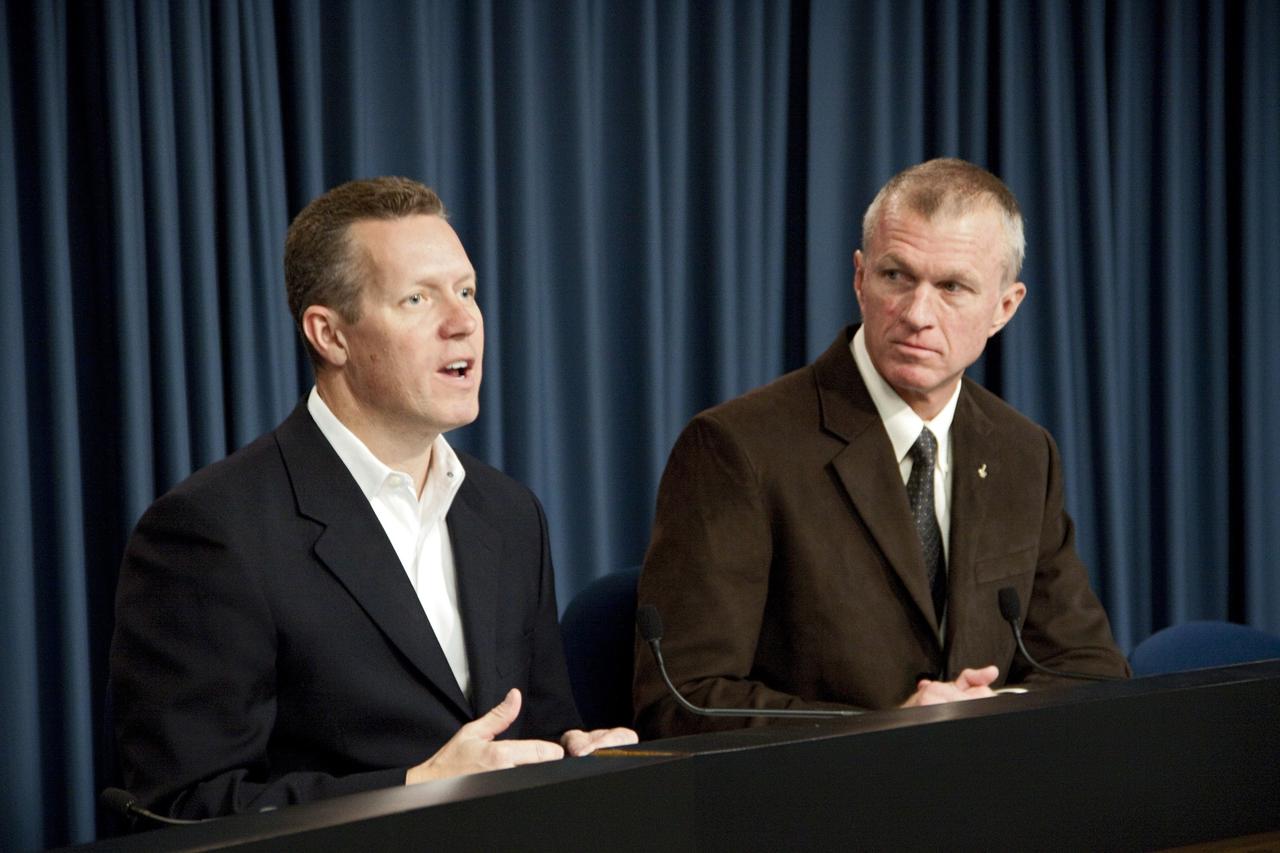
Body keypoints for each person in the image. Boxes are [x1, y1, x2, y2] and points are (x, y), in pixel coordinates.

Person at [109, 177, 635, 819]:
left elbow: (539, 731)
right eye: (417, 298)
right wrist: (413, 787)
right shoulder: (212, 531)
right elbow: (182, 809)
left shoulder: (508, 512)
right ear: (330, 335)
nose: (462, 321)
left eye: (466, 291)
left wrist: (573, 757)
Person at [633, 158, 1129, 738]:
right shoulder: (739, 449)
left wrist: (988, 707)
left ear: (1005, 307)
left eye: (952, 287)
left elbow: (1091, 670)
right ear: (859, 278)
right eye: (897, 276)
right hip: (815, 809)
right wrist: (889, 731)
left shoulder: (1024, 453)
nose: (918, 314)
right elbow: (682, 699)